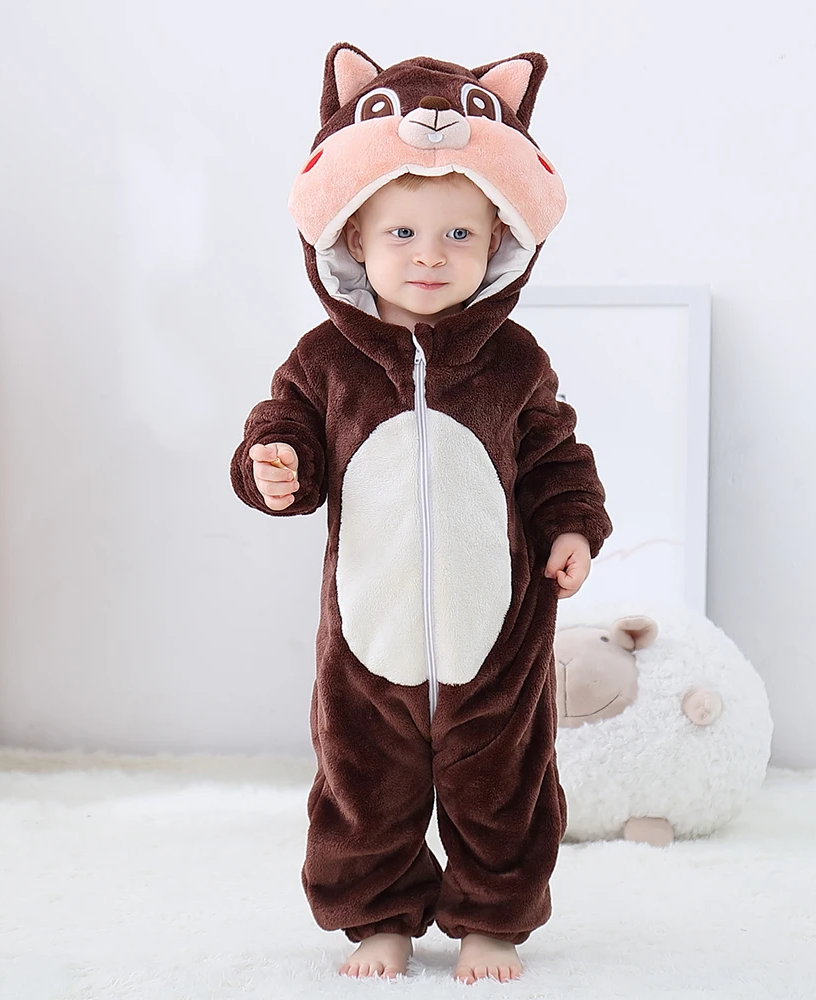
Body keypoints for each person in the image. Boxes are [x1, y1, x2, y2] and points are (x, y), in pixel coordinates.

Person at [230, 42, 612, 985]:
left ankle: (492, 918)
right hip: (370, 630)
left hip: (498, 633)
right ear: (354, 239)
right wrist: (275, 467)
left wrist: (571, 525)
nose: (431, 255)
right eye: (402, 232)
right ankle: (378, 916)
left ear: (500, 244)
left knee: (504, 786)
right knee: (366, 786)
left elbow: (556, 456)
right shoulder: (324, 360)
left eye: (459, 235)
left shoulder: (513, 360)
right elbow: (285, 431)